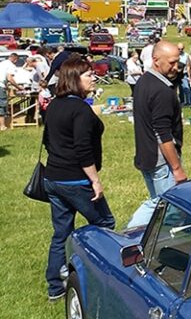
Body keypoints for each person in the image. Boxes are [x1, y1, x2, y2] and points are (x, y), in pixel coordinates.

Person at [42, 57, 115, 301]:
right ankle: (97, 276)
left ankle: (55, 286)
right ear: (75, 79)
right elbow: (83, 149)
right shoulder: (80, 110)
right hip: (75, 181)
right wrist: (94, 180)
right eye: (88, 75)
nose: (93, 77)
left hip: (53, 178)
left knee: (60, 233)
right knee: (104, 224)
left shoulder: (54, 105)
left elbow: (48, 141)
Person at [127, 41, 188, 228]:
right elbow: (162, 134)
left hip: (146, 155)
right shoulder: (161, 91)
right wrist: (176, 168)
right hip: (160, 161)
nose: (176, 67)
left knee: (161, 203)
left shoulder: (144, 82)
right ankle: (130, 234)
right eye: (171, 63)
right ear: (155, 60)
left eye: (177, 62)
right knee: (167, 206)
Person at [0, 53, 22, 131]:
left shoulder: (2, 63)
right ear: (15, 59)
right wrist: (18, 87)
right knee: (2, 105)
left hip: (2, 85)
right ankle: (2, 126)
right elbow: (10, 78)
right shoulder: (11, 65)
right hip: (1, 86)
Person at [177, 43, 191, 107]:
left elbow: (188, 67)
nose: (180, 50)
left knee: (187, 88)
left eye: (181, 49)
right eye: (179, 49)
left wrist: (189, 77)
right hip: (176, 75)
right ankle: (182, 102)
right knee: (179, 89)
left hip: (183, 74)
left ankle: (190, 103)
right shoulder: (174, 55)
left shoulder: (186, 56)